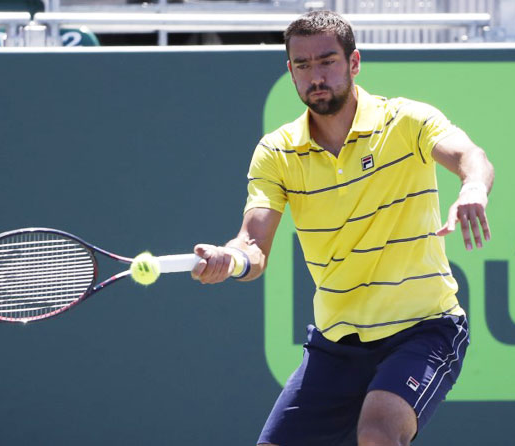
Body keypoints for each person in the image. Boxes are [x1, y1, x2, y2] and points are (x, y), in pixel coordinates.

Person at [191, 10, 494, 446]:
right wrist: (231, 259)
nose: (316, 75)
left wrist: (472, 190)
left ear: (354, 63)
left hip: (425, 328)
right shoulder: (276, 153)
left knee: (378, 433)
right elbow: (253, 247)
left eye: (327, 61)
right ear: (290, 71)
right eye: (303, 65)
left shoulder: (405, 121)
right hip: (336, 344)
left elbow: (471, 156)